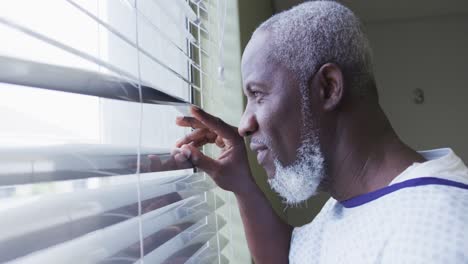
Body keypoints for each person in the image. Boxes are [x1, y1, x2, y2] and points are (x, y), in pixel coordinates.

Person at [169, 1, 468, 263]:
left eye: (258, 94)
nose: (245, 123)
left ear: (328, 88)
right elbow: (287, 258)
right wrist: (242, 184)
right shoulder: (362, 202)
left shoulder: (436, 228)